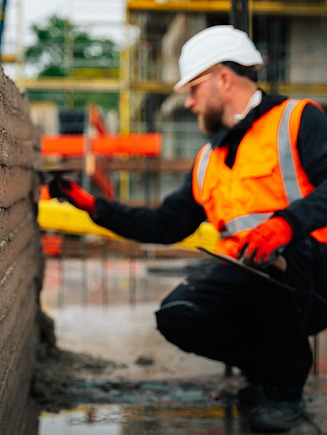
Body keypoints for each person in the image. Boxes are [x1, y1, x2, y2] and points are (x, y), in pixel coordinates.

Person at [49, 25, 327, 433]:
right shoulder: (207, 160)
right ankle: (270, 370)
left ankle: (285, 390)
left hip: (314, 274)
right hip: (253, 273)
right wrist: (93, 206)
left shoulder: (297, 120)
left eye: (194, 89)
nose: (189, 102)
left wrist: (286, 225)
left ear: (224, 79)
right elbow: (164, 224)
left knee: (272, 263)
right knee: (180, 314)